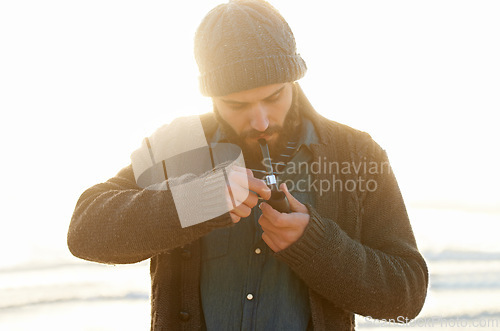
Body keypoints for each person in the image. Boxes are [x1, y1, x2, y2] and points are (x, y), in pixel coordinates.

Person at [67, 0, 428, 330]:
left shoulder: (357, 153)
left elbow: (406, 296)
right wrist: (197, 201)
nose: (259, 121)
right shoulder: (177, 144)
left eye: (273, 97)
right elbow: (84, 232)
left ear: (294, 81)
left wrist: (314, 245)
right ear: (211, 96)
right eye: (236, 105)